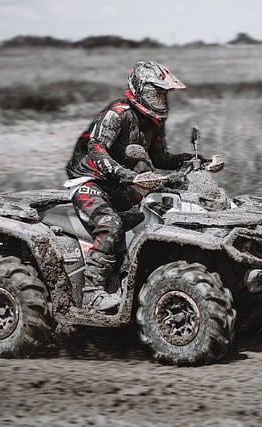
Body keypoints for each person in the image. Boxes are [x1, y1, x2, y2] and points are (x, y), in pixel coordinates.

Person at [65, 61, 195, 311]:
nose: (158, 99)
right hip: (89, 180)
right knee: (110, 225)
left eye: (162, 94)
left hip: (119, 182)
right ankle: (91, 292)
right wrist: (126, 174)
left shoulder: (154, 121)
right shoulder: (118, 113)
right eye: (153, 92)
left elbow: (159, 158)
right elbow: (95, 149)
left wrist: (187, 159)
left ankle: (127, 280)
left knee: (156, 214)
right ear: (138, 89)